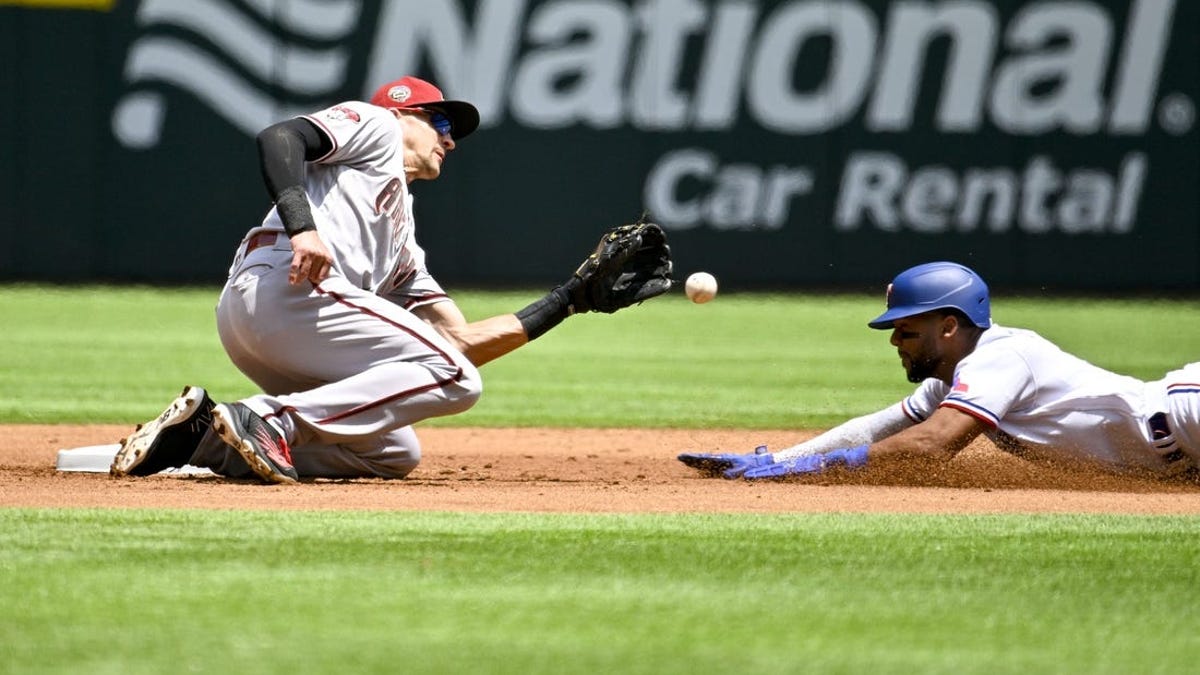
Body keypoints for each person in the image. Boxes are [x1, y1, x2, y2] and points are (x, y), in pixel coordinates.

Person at [111, 75, 670, 484]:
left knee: (394, 451)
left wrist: (567, 302)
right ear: (405, 111)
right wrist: (304, 228)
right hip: (287, 284)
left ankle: (205, 436)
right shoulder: (375, 124)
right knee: (456, 381)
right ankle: (269, 419)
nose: (450, 140)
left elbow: (460, 345)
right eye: (442, 122)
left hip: (272, 322)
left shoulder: (401, 241)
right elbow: (279, 137)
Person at [679, 261, 1200, 481]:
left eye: (906, 329)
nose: (895, 342)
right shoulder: (955, 378)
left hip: (1185, 413)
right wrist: (777, 458)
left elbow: (932, 445)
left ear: (949, 326)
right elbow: (883, 427)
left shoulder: (1000, 355)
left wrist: (806, 470)